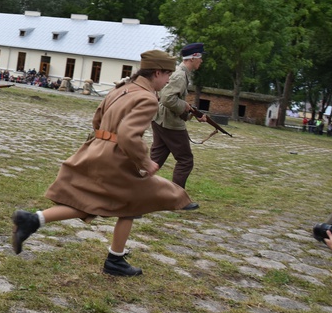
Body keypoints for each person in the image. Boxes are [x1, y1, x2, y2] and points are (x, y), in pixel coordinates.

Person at [11, 50, 196, 277]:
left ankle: (34, 220)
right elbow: (128, 135)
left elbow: (97, 118)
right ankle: (115, 259)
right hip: (117, 157)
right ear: (157, 72)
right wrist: (146, 161)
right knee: (132, 201)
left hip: (97, 149)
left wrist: (104, 139)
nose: (168, 80)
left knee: (97, 202)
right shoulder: (147, 98)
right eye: (167, 75)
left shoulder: (121, 88)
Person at [150, 42, 206, 207]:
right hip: (170, 124)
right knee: (185, 160)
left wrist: (192, 114)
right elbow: (168, 99)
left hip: (161, 120)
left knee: (154, 161)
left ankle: (133, 191)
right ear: (194, 57)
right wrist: (186, 107)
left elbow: (172, 99)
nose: (201, 61)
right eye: (200, 57)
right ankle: (177, 200)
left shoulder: (181, 72)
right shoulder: (181, 75)